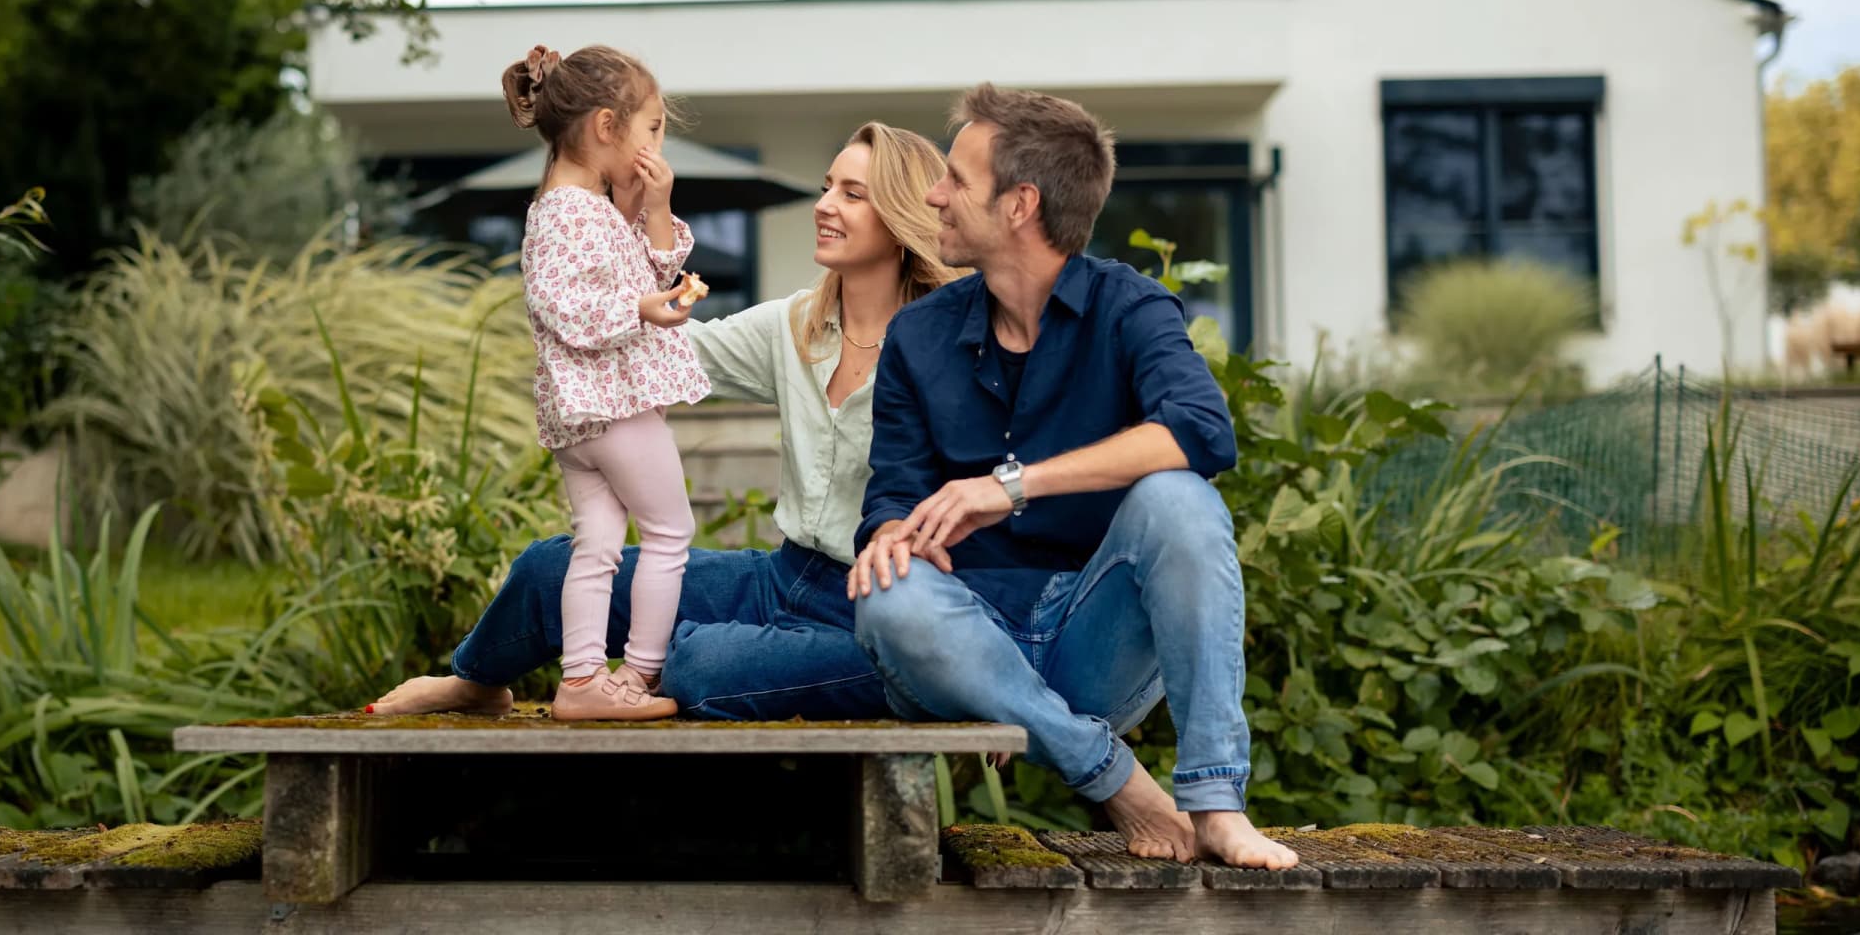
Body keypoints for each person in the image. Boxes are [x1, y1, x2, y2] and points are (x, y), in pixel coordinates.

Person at [368, 122, 961, 720]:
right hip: (780, 578)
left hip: (875, 613)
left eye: (852, 194)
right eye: (828, 185)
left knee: (700, 667)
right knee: (550, 569)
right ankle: (476, 682)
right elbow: (662, 346)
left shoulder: (945, 351)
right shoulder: (795, 325)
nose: (824, 204)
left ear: (901, 218)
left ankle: (876, 676)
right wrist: (607, 264)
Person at [847, 83, 1298, 870]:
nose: (933, 194)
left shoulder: (1131, 308)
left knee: (1180, 498)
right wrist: (891, 533)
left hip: (1093, 644)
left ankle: (1217, 803)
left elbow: (1202, 429)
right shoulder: (918, 336)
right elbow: (893, 491)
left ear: (1020, 204)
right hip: (962, 642)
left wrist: (1012, 485)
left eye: (955, 178)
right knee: (888, 590)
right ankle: (1116, 779)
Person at [502, 43, 710, 720]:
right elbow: (562, 306)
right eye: (652, 127)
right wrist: (641, 309)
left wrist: (653, 208)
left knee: (597, 543)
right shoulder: (566, 213)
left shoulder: (585, 208)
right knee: (669, 532)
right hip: (614, 410)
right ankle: (639, 674)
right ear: (605, 126)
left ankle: (582, 680)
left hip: (582, 420)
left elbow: (652, 274)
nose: (658, 144)